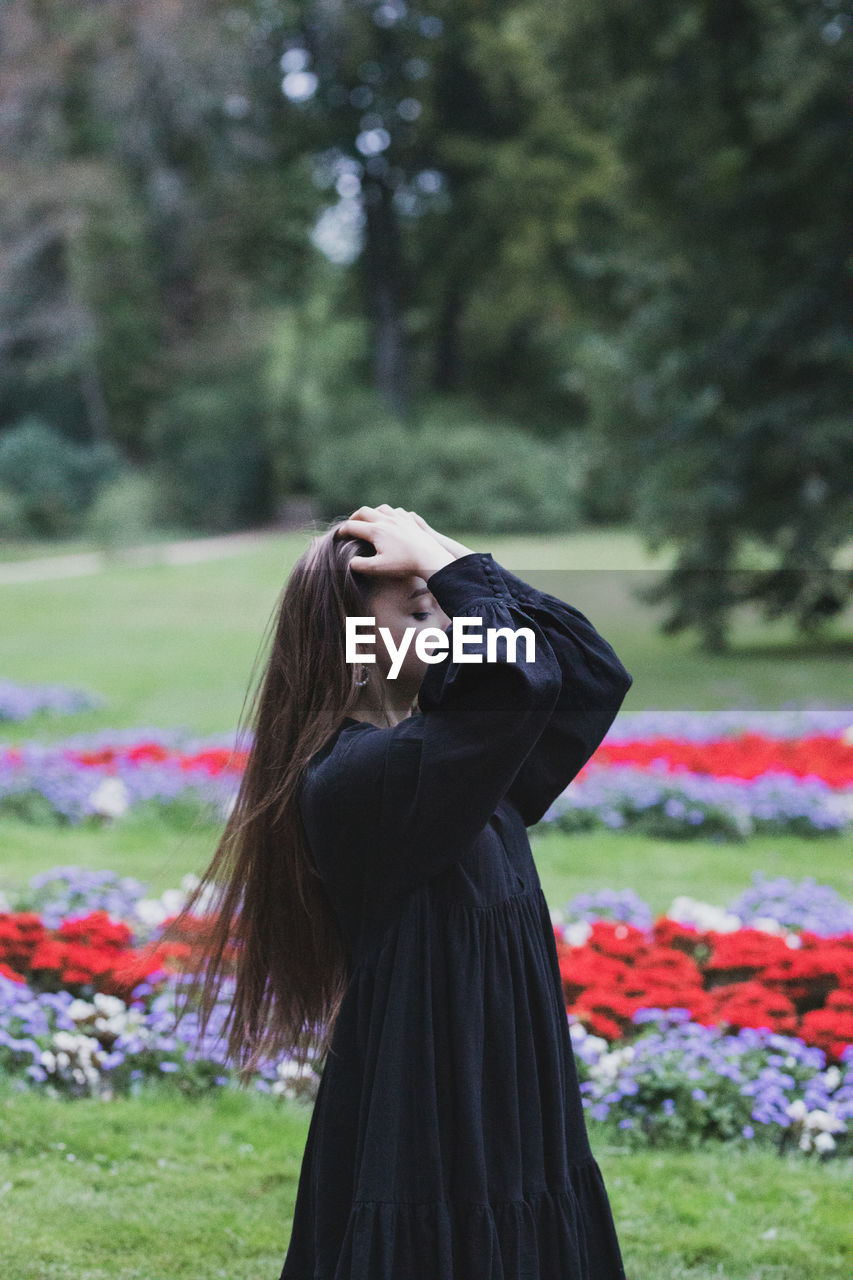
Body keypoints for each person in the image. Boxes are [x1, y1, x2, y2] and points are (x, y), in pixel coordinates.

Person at [163, 504, 634, 1279]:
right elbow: (517, 684)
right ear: (350, 643)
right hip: (435, 1103)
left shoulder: (452, 754)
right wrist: (454, 572)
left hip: (500, 1082)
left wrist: (446, 558)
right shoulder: (362, 779)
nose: (450, 620)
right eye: (422, 612)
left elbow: (584, 670)